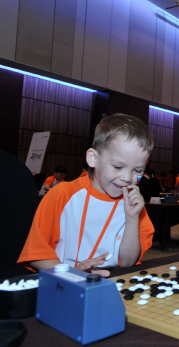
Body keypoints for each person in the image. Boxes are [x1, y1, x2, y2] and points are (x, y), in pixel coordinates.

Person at [18, 113, 155, 277]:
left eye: (138, 171)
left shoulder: (133, 205)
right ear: (93, 158)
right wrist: (72, 274)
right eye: (118, 166)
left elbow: (127, 262)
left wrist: (132, 218)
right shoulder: (63, 194)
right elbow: (36, 254)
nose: (127, 178)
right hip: (64, 286)